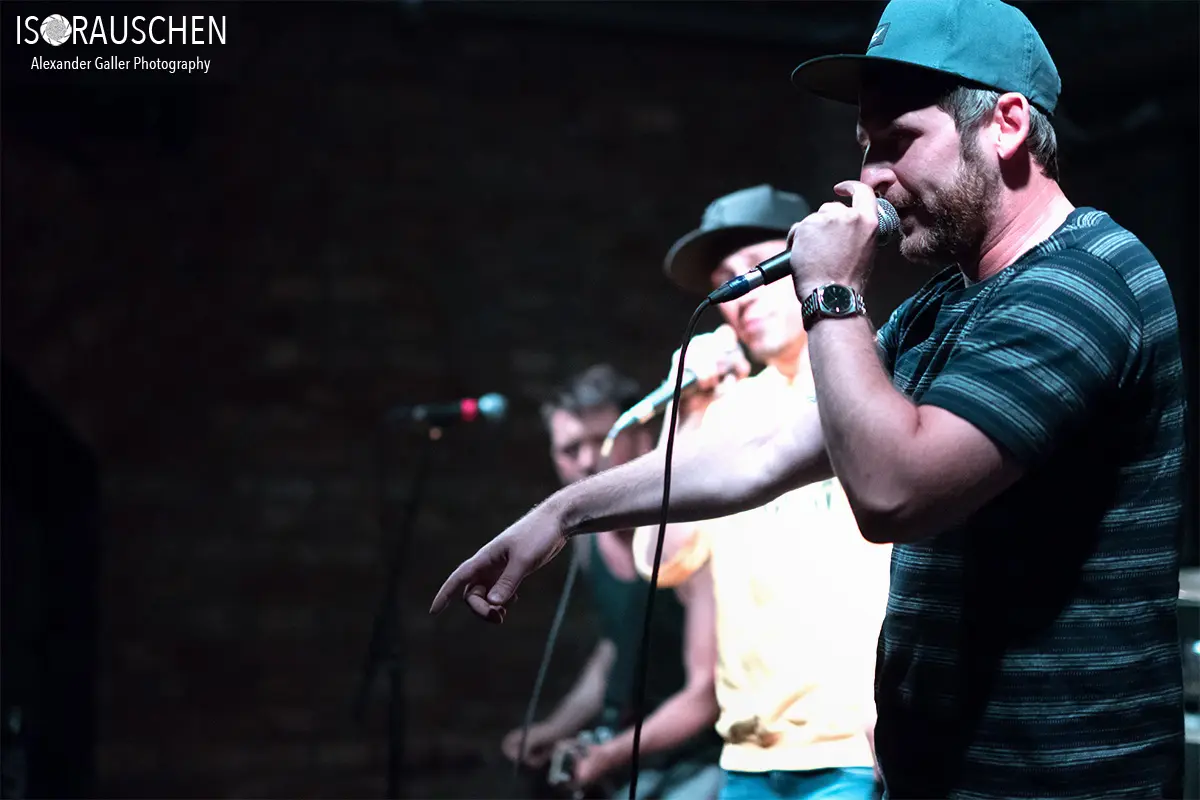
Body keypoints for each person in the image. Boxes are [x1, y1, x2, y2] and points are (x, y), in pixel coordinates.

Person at [435, 0, 1187, 796]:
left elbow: (894, 494)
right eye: (866, 147)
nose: (871, 177)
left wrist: (831, 292)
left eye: (898, 142)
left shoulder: (1081, 284)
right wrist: (565, 512)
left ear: (1006, 125)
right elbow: (765, 452)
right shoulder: (940, 308)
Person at [628, 185, 891, 800]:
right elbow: (659, 560)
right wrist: (688, 411)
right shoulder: (727, 412)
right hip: (747, 755)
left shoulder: (880, 374)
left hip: (854, 747)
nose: (742, 293)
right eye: (724, 281)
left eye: (759, 267)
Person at [501, 364, 724, 799]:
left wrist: (609, 755)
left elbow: (706, 691)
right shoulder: (589, 544)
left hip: (704, 762)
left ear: (642, 439)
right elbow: (616, 649)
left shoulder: (684, 537)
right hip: (636, 763)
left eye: (602, 441)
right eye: (569, 449)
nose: (586, 462)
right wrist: (556, 727)